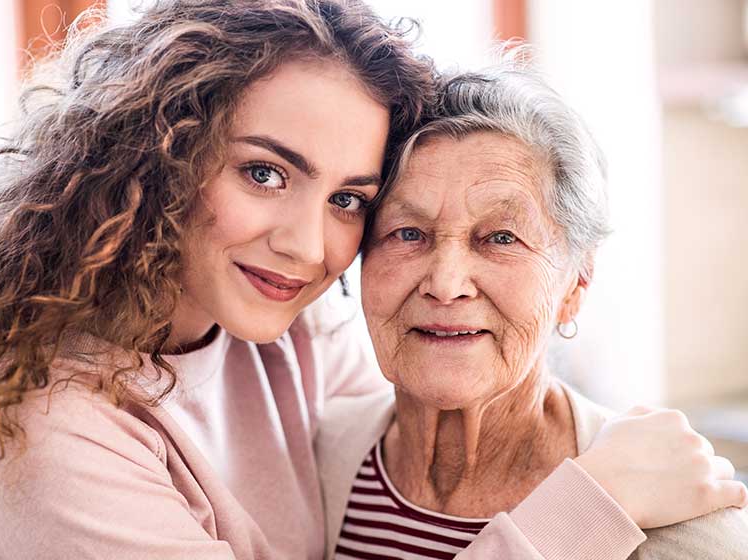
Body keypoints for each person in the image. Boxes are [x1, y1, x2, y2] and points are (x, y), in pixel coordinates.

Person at [0, 2, 743, 559]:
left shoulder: (274, 332)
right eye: (265, 174)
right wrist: (589, 504)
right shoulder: (38, 432)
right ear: (157, 156)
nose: (310, 248)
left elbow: (440, 384)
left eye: (349, 199)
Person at [320, 63, 748, 559]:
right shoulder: (318, 458)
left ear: (575, 284)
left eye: (502, 238)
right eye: (408, 233)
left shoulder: (677, 519)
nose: (446, 284)